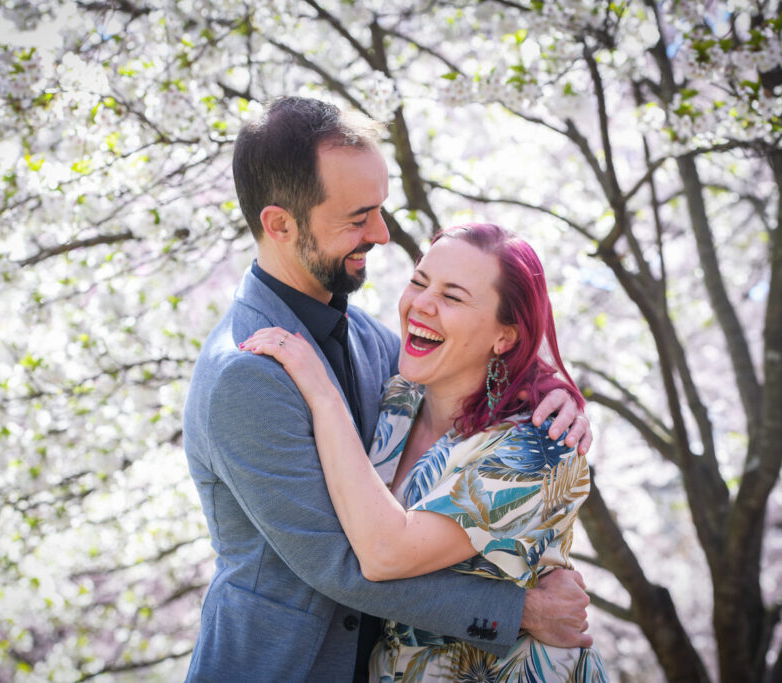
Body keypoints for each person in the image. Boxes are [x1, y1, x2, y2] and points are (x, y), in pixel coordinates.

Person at [182, 96, 594, 681]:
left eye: (379, 209)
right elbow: (341, 562)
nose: (380, 233)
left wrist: (549, 390)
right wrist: (520, 610)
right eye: (357, 218)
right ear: (280, 224)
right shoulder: (245, 373)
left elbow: (468, 368)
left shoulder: (374, 342)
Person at [243, 222, 608, 681]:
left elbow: (385, 553)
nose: (422, 304)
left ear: (506, 335)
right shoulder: (400, 397)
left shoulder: (538, 448)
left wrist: (323, 394)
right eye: (419, 281)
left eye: (453, 297)